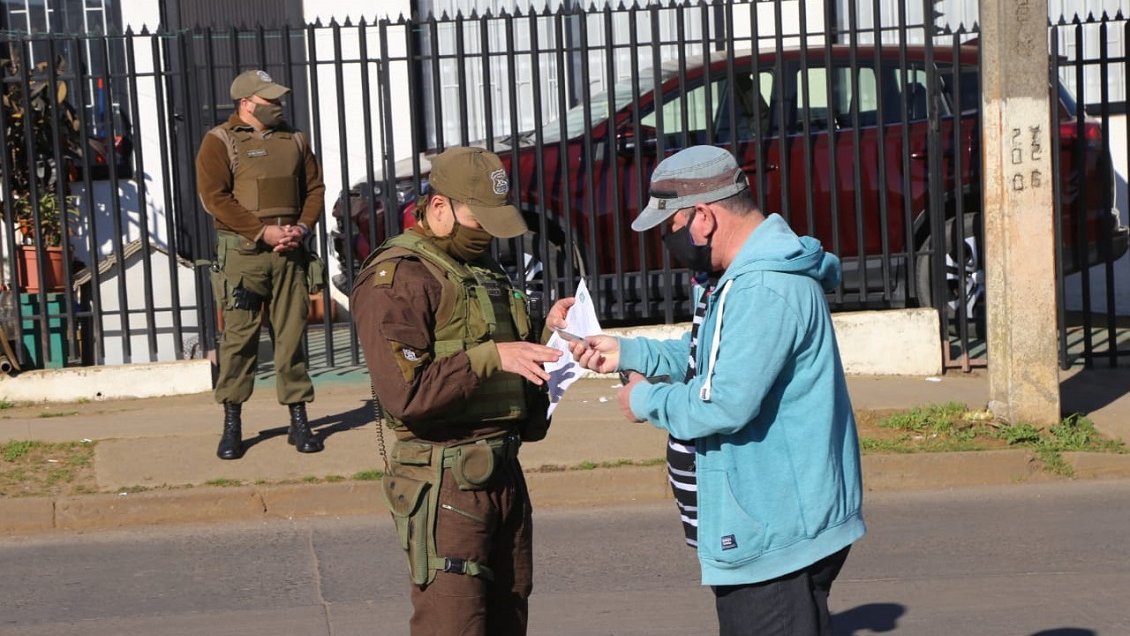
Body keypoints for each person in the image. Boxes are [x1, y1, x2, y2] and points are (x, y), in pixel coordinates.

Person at [568, 145, 865, 635]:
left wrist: (644, 400)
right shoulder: (741, 280)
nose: (670, 241)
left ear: (702, 218)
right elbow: (712, 350)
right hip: (767, 527)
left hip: (775, 539)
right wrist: (628, 353)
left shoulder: (763, 288)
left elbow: (723, 401)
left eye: (670, 228)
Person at [350, 146, 571, 636]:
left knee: (508, 618)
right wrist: (495, 357)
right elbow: (406, 395)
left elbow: (492, 345)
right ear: (439, 206)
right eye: (479, 218)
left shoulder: (481, 269)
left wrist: (545, 334)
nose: (487, 232)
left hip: (502, 472)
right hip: (445, 480)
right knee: (455, 625)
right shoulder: (399, 278)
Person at [196, 69, 327, 460]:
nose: (279, 106)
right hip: (244, 257)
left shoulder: (295, 139)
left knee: (291, 340)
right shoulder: (219, 142)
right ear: (247, 104)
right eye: (270, 100)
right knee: (238, 342)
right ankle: (232, 423)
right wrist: (262, 232)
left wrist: (302, 227)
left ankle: (298, 420)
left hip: (291, 254)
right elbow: (215, 198)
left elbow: (315, 188)